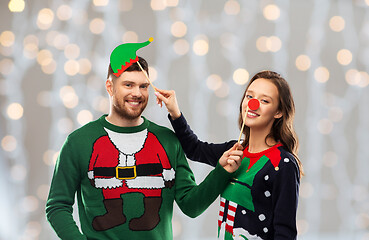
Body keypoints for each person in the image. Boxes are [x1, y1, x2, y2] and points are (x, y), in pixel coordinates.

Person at [45, 56, 244, 240]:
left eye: (143, 86)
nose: (137, 93)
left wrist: (221, 171)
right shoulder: (79, 141)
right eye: (128, 85)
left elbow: (192, 206)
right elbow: (57, 206)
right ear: (110, 87)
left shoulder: (168, 140)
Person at [155, 70, 303, 240]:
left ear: (278, 112)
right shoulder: (233, 151)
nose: (253, 104)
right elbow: (194, 149)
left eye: (264, 100)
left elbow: (285, 232)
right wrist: (175, 112)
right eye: (249, 97)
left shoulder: (283, 164)